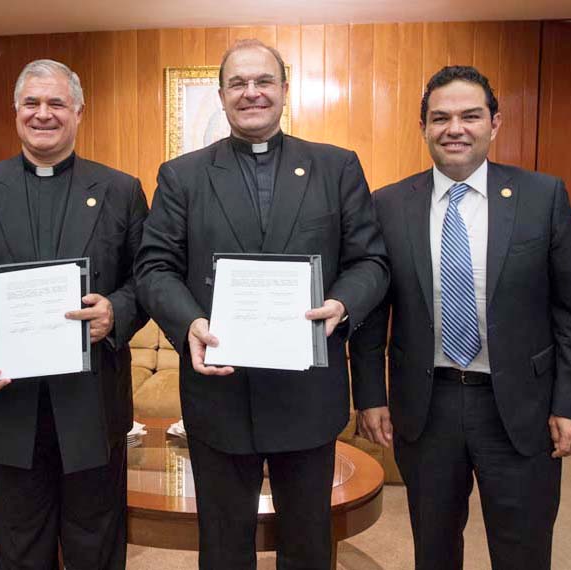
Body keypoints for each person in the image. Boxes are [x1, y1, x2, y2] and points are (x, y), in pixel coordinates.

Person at [134, 39, 389, 569]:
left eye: (263, 81)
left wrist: (342, 303)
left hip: (307, 396)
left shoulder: (336, 167)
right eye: (238, 84)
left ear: (284, 91)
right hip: (219, 394)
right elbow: (154, 268)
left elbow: (371, 263)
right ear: (222, 95)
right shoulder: (181, 176)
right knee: (224, 548)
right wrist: (190, 323)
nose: (251, 93)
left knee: (308, 545)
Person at [349, 65, 571, 570]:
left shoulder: (542, 197)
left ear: (495, 123)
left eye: (470, 115)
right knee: (434, 548)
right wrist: (371, 395)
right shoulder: (390, 204)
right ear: (423, 128)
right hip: (428, 404)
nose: (454, 128)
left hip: (520, 409)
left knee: (523, 549)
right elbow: (373, 315)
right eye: (440, 118)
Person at [0, 59, 148, 570]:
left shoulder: (121, 189)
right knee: (19, 546)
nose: (43, 114)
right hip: (8, 402)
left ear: (78, 111)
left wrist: (115, 311)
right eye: (31, 103)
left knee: (96, 544)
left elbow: (149, 278)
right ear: (15, 112)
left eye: (56, 103)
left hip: (92, 402)